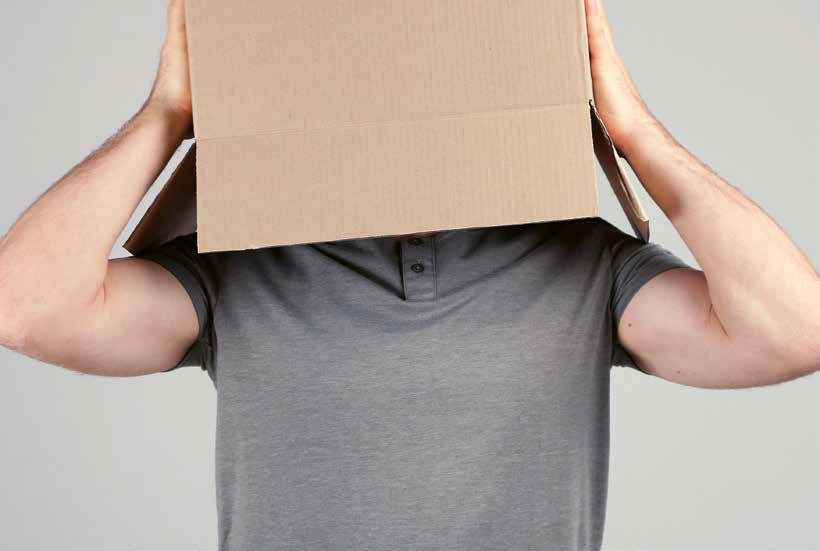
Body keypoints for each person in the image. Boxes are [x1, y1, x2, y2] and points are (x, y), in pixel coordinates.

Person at [0, 0, 817, 549]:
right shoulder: (242, 264)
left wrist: (633, 129)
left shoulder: (584, 264)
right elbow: (27, 306)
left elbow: (792, 333)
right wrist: (169, 114)